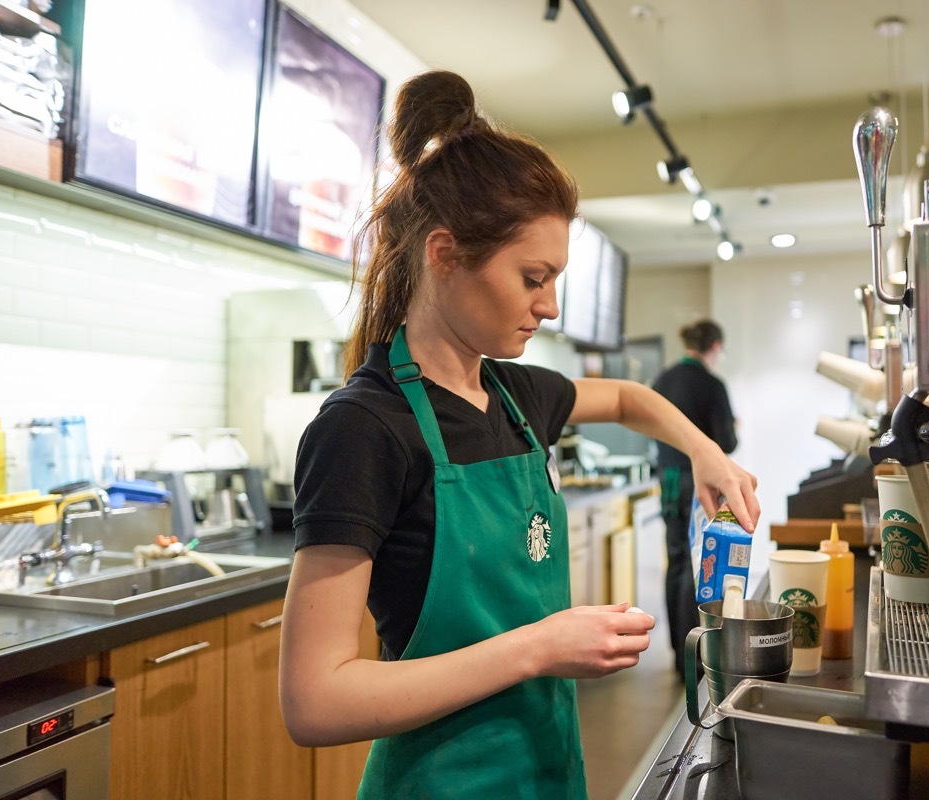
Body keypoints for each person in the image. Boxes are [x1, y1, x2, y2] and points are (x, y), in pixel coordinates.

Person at [278, 70, 758, 800]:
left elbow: (631, 399)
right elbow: (314, 701)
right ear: (445, 254)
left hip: (548, 772)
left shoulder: (514, 394)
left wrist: (706, 452)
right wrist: (538, 647)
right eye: (534, 276)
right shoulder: (365, 428)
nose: (552, 306)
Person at [651, 320, 739, 680]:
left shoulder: (663, 380)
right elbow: (726, 443)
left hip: (669, 481)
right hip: (699, 486)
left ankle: (677, 654)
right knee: (698, 567)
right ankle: (697, 658)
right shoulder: (712, 385)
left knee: (674, 563)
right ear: (715, 346)